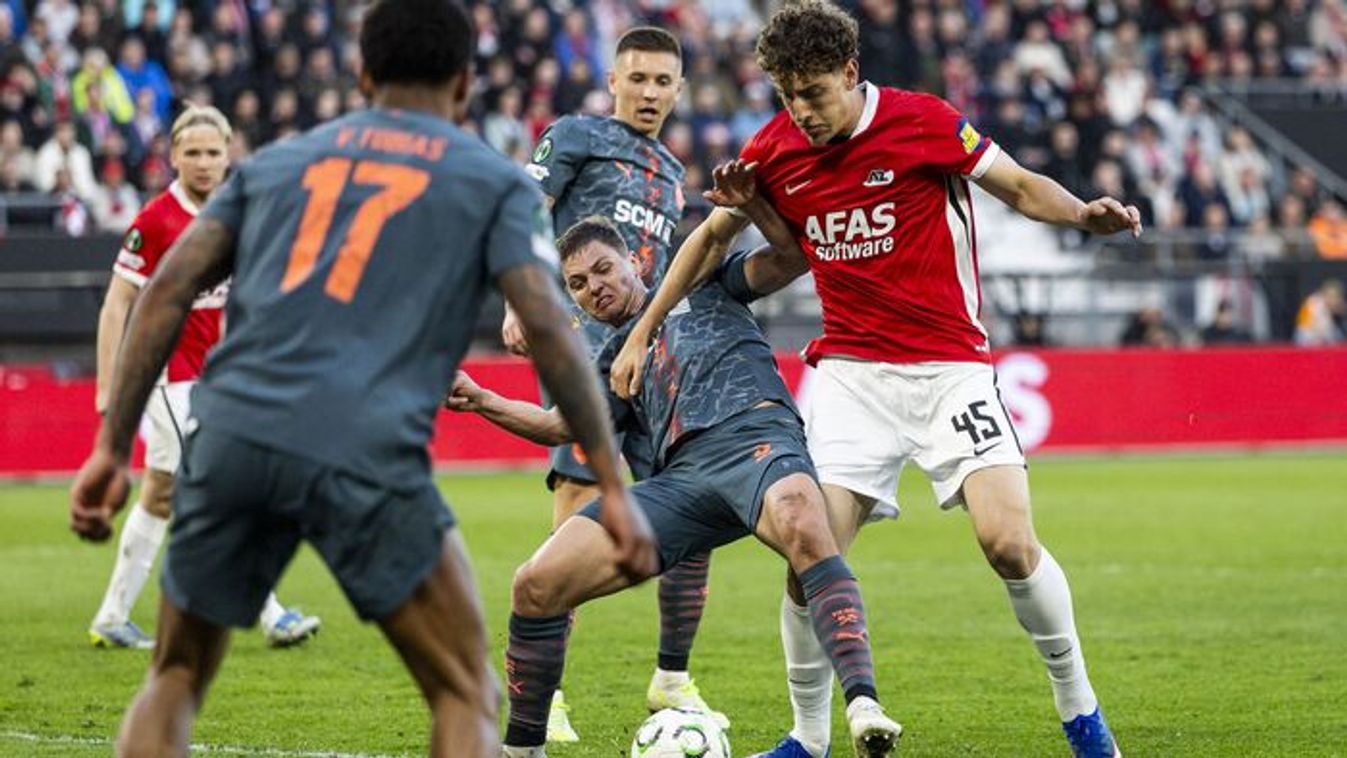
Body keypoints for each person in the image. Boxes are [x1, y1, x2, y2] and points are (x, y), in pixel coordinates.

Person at [68, 2, 654, 756]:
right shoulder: (491, 182)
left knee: (176, 675)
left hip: (235, 436)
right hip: (365, 447)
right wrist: (610, 483)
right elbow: (546, 326)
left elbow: (163, 291)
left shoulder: (274, 165)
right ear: (465, 82)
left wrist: (110, 448)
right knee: (465, 691)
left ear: (363, 75)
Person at [609, 3, 1141, 757]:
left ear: (850, 74)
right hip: (852, 376)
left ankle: (1081, 715)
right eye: (788, 95)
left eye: (814, 93)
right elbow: (709, 239)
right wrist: (642, 331)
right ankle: (808, 738)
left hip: (950, 369)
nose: (801, 111)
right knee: (809, 554)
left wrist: (1084, 215)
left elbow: (1020, 186)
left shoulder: (922, 122)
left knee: (1009, 544)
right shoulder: (775, 148)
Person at [447, 216, 902, 758]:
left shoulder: (703, 283)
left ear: (635, 262)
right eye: (579, 284)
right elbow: (559, 425)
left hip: (757, 441)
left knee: (802, 518)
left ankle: (863, 705)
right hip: (682, 482)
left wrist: (752, 206)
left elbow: (788, 258)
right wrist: (482, 399)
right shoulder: (614, 358)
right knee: (536, 583)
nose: (595, 287)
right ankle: (522, 750)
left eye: (603, 269)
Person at [504, 26, 723, 740]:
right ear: (614, 81)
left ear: (678, 89)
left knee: (694, 513)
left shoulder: (670, 170)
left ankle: (670, 679)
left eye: (662, 82)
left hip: (651, 363)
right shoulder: (576, 135)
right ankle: (549, 693)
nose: (649, 93)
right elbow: (522, 209)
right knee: (575, 508)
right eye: (637, 78)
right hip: (580, 354)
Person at [88, 104, 321, 651]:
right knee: (221, 485)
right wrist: (107, 385)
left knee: (159, 494)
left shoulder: (235, 213)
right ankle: (270, 612)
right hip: (166, 375)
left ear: (228, 154)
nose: (203, 162)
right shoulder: (156, 221)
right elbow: (117, 303)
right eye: (191, 152)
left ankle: (111, 616)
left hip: (214, 377)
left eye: (213, 152)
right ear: (173, 156)